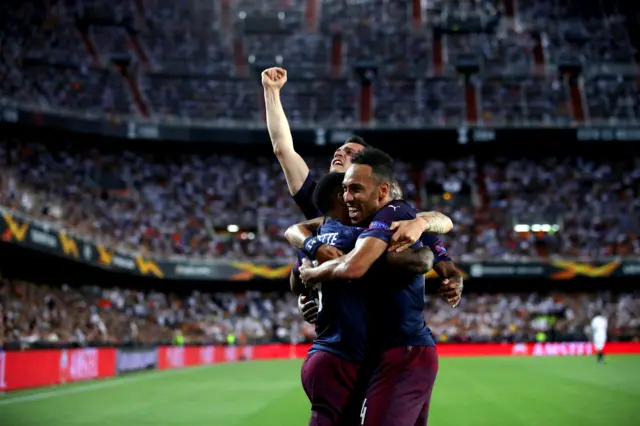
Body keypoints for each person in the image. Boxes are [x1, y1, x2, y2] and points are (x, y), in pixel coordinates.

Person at [262, 67, 454, 319]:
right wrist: (272, 92)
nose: (339, 153)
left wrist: (453, 278)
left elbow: (432, 249)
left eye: (352, 153)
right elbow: (283, 148)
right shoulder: (320, 200)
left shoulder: (388, 209)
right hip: (340, 334)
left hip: (384, 330)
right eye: (339, 150)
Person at [299, 148, 459, 426]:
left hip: (402, 351)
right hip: (373, 356)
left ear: (382, 190)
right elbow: (297, 232)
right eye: (344, 189)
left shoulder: (394, 213)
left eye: (355, 188)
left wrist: (312, 275)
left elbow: (428, 253)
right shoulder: (331, 229)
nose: (348, 197)